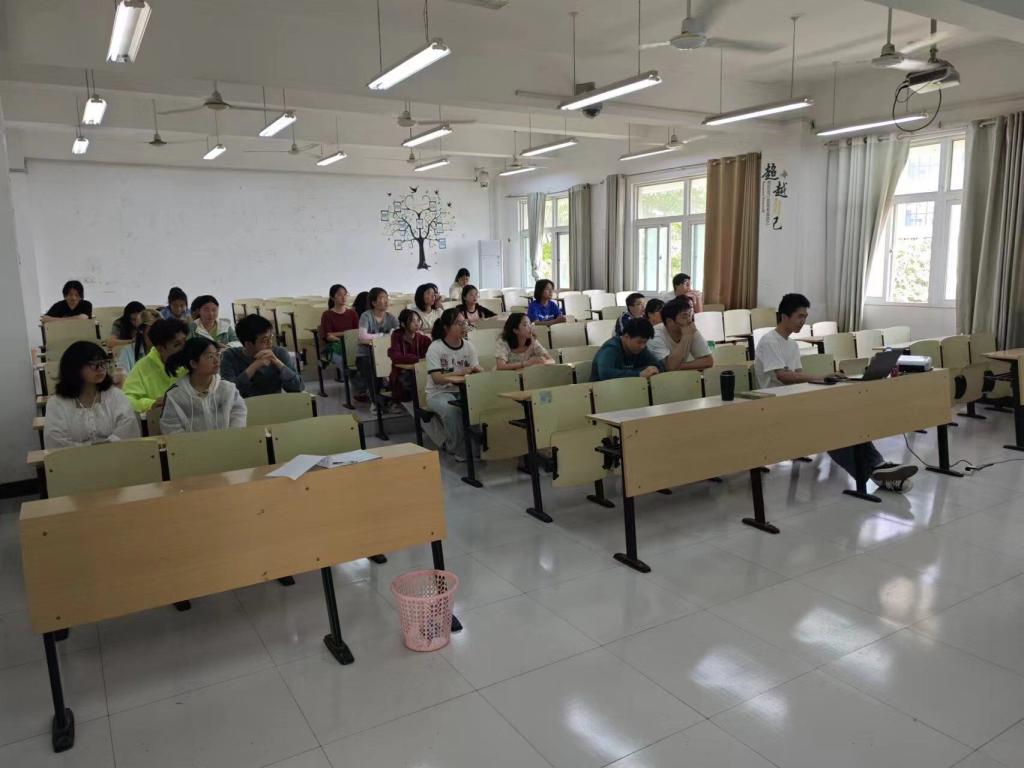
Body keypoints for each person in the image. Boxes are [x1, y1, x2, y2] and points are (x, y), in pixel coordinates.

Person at [754, 293, 918, 492]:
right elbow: (784, 376)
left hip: (796, 400)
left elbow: (798, 376)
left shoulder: (792, 344)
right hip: (775, 404)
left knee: (845, 417)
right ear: (784, 316)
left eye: (805, 317)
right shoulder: (769, 341)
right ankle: (875, 473)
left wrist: (829, 378)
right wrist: (821, 377)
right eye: (799, 316)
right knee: (830, 427)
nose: (803, 321)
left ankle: (879, 466)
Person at [44, 341, 140, 449]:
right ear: (75, 368)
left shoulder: (115, 395)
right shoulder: (57, 403)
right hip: (74, 458)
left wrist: (106, 446)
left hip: (115, 454)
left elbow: (128, 428)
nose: (101, 368)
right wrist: (88, 450)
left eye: (103, 363)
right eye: (94, 364)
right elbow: (54, 440)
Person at [425, 308, 483, 460]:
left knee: (477, 406)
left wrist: (485, 374)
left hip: (463, 391)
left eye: (464, 323)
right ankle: (457, 448)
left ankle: (478, 446)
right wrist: (460, 372)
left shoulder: (469, 346)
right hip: (438, 393)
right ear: (446, 328)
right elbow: (437, 378)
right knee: (452, 410)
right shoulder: (436, 347)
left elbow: (476, 368)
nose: (463, 326)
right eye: (458, 323)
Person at [160, 338, 246, 433]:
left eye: (217, 355)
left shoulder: (227, 388)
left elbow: (238, 415)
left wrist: (229, 438)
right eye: (210, 357)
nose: (216, 360)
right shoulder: (175, 396)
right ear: (193, 363)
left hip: (227, 441)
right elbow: (171, 428)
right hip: (189, 443)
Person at [220, 314, 304, 397]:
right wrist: (254, 366)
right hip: (244, 405)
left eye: (271, 337)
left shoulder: (279, 353)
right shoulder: (230, 356)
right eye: (265, 340)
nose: (270, 343)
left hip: (274, 403)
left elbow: (299, 387)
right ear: (248, 344)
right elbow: (228, 394)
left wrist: (278, 363)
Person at [123, 318, 188, 413]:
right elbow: (126, 399)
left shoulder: (192, 360)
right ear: (160, 349)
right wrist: (151, 404)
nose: (184, 348)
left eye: (185, 341)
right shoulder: (143, 367)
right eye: (177, 344)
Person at [357, 287, 399, 410]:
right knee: (372, 369)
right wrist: (383, 336)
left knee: (397, 368)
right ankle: (375, 402)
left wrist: (375, 337)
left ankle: (392, 400)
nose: (386, 301)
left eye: (386, 298)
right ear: (374, 303)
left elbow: (398, 334)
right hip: (365, 355)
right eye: (382, 298)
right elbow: (362, 337)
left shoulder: (390, 317)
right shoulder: (366, 316)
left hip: (385, 354)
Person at [647, 297, 714, 372]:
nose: (689, 320)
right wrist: (686, 337)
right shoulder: (655, 335)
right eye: (684, 317)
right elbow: (670, 367)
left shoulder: (689, 329)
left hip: (678, 375)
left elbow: (708, 361)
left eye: (690, 315)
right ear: (669, 321)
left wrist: (679, 366)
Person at [591, 317, 662, 382]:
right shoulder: (611, 348)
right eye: (639, 342)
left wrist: (648, 371)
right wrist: (639, 374)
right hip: (600, 389)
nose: (643, 346)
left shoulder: (641, 349)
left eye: (645, 342)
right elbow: (605, 374)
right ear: (626, 337)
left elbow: (658, 367)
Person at [387, 308, 432, 402]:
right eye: (412, 321)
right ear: (403, 324)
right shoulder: (397, 337)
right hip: (402, 375)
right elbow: (396, 356)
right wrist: (418, 359)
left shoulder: (424, 339)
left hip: (420, 373)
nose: (417, 324)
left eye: (418, 320)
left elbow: (431, 357)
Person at [116, 309, 160, 375]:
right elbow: (121, 376)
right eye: (153, 331)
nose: (157, 335)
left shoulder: (167, 349)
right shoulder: (128, 352)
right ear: (141, 330)